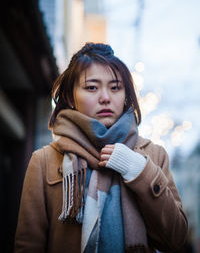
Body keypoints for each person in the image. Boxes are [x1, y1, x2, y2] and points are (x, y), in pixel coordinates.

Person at [15, 43, 188, 253]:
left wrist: (139, 171)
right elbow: (28, 246)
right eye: (92, 87)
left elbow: (176, 238)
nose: (105, 97)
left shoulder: (153, 155)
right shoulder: (44, 161)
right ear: (70, 97)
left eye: (115, 88)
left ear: (125, 96)